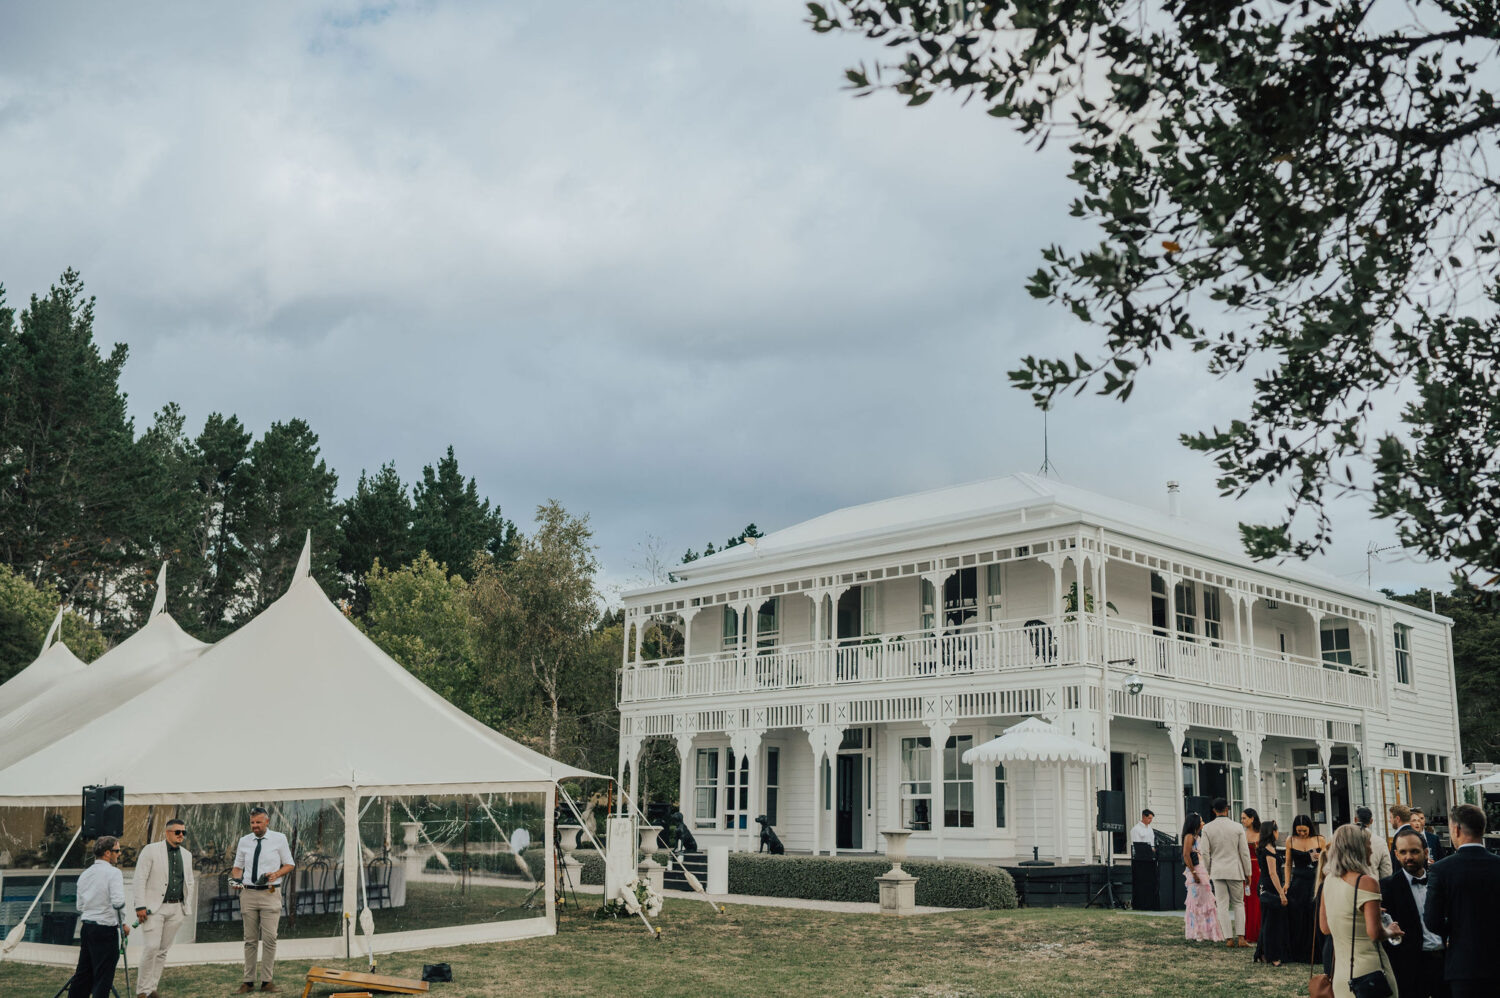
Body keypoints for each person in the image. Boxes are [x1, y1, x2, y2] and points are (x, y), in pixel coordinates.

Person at [1423, 802, 1500, 998]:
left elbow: (1432, 920)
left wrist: (1455, 929)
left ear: (1456, 829)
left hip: (1463, 963)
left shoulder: (1442, 869)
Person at [1318, 823, 1401, 998]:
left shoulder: (1329, 880)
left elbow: (1325, 927)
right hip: (1369, 974)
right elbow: (1375, 933)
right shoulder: (1366, 882)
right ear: (1358, 848)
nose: (1371, 850)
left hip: (1342, 975)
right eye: (1368, 844)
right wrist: (1390, 930)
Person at [232, 807, 295, 993]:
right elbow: (237, 867)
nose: (255, 826)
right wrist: (235, 882)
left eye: (258, 822)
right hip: (248, 894)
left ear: (267, 821)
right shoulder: (244, 841)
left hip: (270, 893)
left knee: (270, 938)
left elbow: (290, 864)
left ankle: (267, 981)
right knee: (250, 940)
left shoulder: (279, 838)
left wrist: (276, 874)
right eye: (252, 822)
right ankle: (248, 982)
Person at [1382, 825, 1449, 998]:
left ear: (1426, 853)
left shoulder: (1441, 880)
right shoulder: (1387, 887)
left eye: (1414, 851)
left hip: (1444, 960)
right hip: (1409, 966)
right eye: (1403, 852)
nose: (1409, 857)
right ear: (1396, 855)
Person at [133, 818, 194, 998]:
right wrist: (140, 905)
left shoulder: (187, 855)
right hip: (154, 909)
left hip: (176, 908)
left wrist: (185, 906)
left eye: (184, 832)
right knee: (151, 947)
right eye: (177, 832)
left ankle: (152, 989)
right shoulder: (151, 850)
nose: (181, 835)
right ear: (167, 833)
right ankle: (142, 991)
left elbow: (189, 881)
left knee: (163, 951)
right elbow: (140, 878)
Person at [69, 836, 131, 998]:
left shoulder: (85, 874)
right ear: (107, 853)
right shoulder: (114, 873)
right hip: (105, 930)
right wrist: (123, 923)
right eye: (117, 851)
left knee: (83, 973)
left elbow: (80, 906)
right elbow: (118, 902)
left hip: (87, 927)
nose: (119, 854)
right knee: (103, 977)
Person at [1200, 797, 1252, 947]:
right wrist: (1248, 872)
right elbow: (1244, 852)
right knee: (1238, 903)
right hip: (1235, 869)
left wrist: (1208, 869)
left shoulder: (1207, 828)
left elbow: (1205, 853)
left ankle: (1229, 938)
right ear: (1227, 809)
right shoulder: (1237, 827)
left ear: (1214, 810)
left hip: (1217, 869)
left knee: (1222, 905)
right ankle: (1241, 938)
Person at [1285, 813, 1327, 963]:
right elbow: (1288, 864)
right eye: (1299, 831)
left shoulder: (1319, 840)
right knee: (1297, 914)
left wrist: (1322, 861)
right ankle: (1297, 951)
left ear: (1310, 828)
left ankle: (1316, 951)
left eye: (1304, 830)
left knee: (1313, 913)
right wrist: (1287, 883)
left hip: (1315, 881)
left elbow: (1327, 861)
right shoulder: (1290, 840)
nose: (1302, 833)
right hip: (1298, 881)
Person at [1181, 812, 1223, 942]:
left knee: (1207, 901)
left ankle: (1208, 932)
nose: (1203, 823)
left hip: (1203, 870)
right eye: (1201, 821)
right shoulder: (1189, 837)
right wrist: (1194, 873)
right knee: (1196, 902)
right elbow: (1186, 855)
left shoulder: (1198, 837)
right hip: (1196, 871)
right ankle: (1197, 932)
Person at [1254, 819, 1290, 967]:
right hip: (1269, 888)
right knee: (1270, 923)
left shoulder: (1268, 848)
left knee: (1270, 921)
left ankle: (1262, 952)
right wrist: (1281, 893)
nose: (1278, 833)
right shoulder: (1267, 850)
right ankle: (1271, 954)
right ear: (1272, 832)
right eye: (1276, 830)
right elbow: (1272, 873)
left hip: (1269, 886)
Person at [1242, 807, 1262, 945]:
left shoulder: (1261, 834)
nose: (1242, 820)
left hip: (1257, 867)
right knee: (1246, 900)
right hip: (1244, 867)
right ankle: (1247, 932)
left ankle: (1257, 932)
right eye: (1242, 818)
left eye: (1244, 818)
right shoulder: (1242, 833)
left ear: (1252, 818)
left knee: (1256, 899)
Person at [1358, 805, 1394, 879]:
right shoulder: (1380, 842)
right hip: (1373, 883)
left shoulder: (1344, 840)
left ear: (1355, 820)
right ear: (1371, 821)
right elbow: (1386, 871)